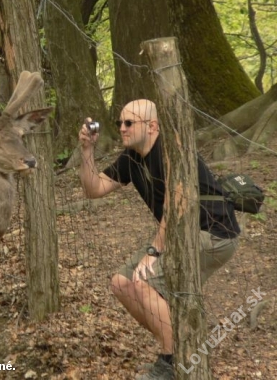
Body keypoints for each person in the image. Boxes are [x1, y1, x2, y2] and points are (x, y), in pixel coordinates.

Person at [78, 99, 240, 380]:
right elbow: (94, 189)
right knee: (122, 284)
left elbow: (176, 205)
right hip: (180, 233)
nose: (122, 129)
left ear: (152, 126)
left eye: (129, 123)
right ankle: (178, 344)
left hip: (214, 234)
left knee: (144, 282)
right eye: (120, 123)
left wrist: (154, 251)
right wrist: (87, 151)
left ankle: (174, 361)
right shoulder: (131, 158)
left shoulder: (170, 151)